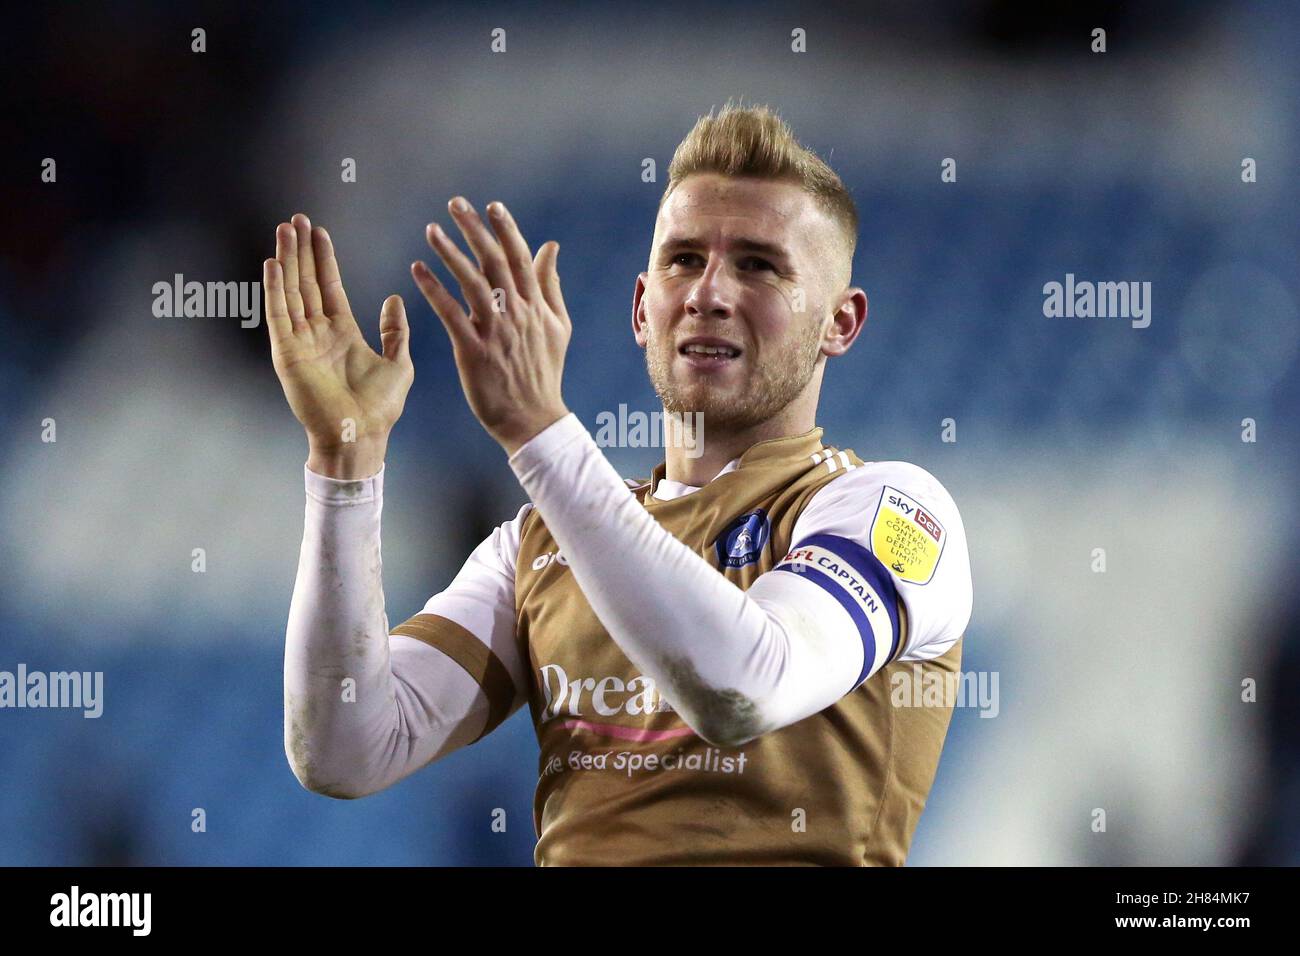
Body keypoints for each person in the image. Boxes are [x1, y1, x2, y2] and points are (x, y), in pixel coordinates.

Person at [266, 103, 972, 865]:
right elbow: (346, 751)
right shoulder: (535, 547)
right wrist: (346, 464)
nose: (710, 292)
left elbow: (745, 691)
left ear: (841, 322)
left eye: (759, 265)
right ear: (642, 308)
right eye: (683, 259)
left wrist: (539, 429)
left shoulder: (891, 511)